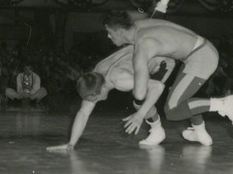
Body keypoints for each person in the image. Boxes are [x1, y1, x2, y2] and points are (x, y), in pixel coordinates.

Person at [102, 10, 233, 146]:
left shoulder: (142, 48)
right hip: (200, 50)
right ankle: (199, 130)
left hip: (201, 58)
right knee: (180, 95)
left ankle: (223, 104)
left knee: (172, 111)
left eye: (110, 32)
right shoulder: (140, 25)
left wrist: (140, 115)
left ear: (120, 32)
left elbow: (140, 94)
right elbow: (159, 15)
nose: (108, 36)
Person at [46, 46, 175, 152]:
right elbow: (83, 113)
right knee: (139, 93)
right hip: (142, 55)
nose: (95, 102)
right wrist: (71, 144)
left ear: (101, 90)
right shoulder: (95, 77)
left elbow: (158, 87)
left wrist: (140, 115)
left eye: (95, 99)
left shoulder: (120, 79)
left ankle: (157, 130)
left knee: (139, 100)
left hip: (162, 60)